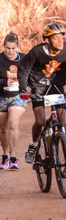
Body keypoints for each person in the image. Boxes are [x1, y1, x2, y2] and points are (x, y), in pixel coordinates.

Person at [19, 23, 66, 179]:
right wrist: (23, 89)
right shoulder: (36, 52)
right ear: (47, 40)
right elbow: (23, 71)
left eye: (61, 37)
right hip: (38, 87)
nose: (60, 41)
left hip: (56, 87)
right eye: (55, 38)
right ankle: (34, 145)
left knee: (62, 122)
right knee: (40, 121)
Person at [0, 33, 28, 169]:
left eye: (13, 48)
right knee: (3, 128)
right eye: (7, 48)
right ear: (3, 46)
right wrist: (4, 82)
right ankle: (5, 155)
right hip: (1, 96)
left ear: (17, 47)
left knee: (12, 123)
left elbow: (33, 73)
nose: (10, 51)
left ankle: (13, 157)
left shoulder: (24, 59)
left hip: (18, 96)